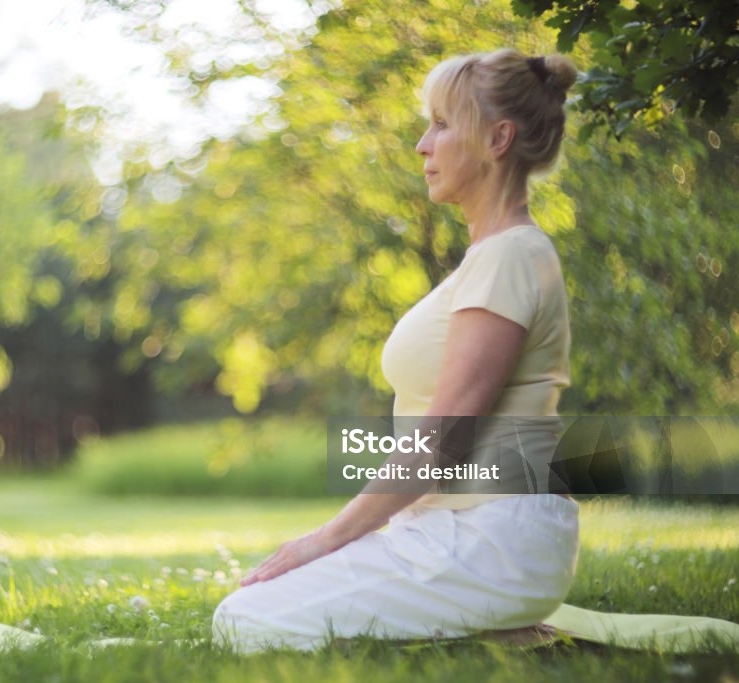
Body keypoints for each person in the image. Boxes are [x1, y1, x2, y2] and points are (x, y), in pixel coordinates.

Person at [212, 48, 582, 654]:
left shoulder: (509, 256)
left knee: (244, 621)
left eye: (440, 124)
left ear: (498, 138)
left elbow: (444, 435)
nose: (422, 145)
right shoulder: (491, 259)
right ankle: (499, 637)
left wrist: (326, 538)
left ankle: (495, 640)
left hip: (491, 540)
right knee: (257, 609)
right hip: (463, 531)